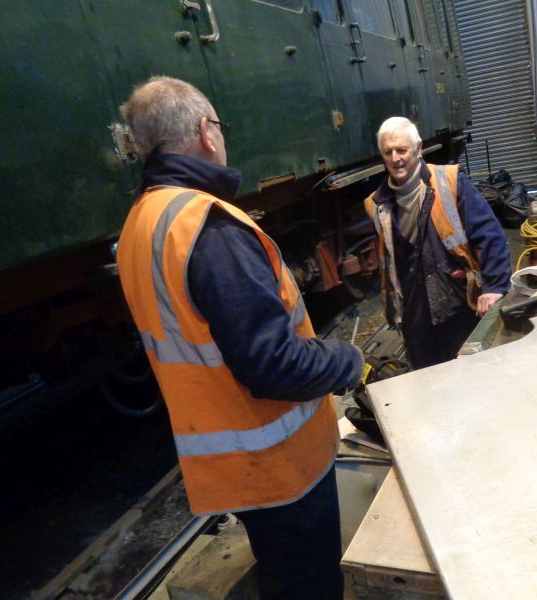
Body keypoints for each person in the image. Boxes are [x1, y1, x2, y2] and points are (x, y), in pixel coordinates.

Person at [116, 76, 363, 600]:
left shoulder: (140, 222)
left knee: (283, 578)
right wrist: (345, 358)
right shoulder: (210, 227)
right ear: (207, 132)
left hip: (234, 466)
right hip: (282, 467)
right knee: (309, 585)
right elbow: (273, 364)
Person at [365, 116, 511, 369]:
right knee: (429, 383)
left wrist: (494, 286)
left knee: (472, 376)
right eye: (388, 152)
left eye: (402, 149)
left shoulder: (450, 181)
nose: (396, 158)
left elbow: (490, 234)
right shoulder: (377, 203)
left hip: (458, 305)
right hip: (415, 316)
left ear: (419, 148)